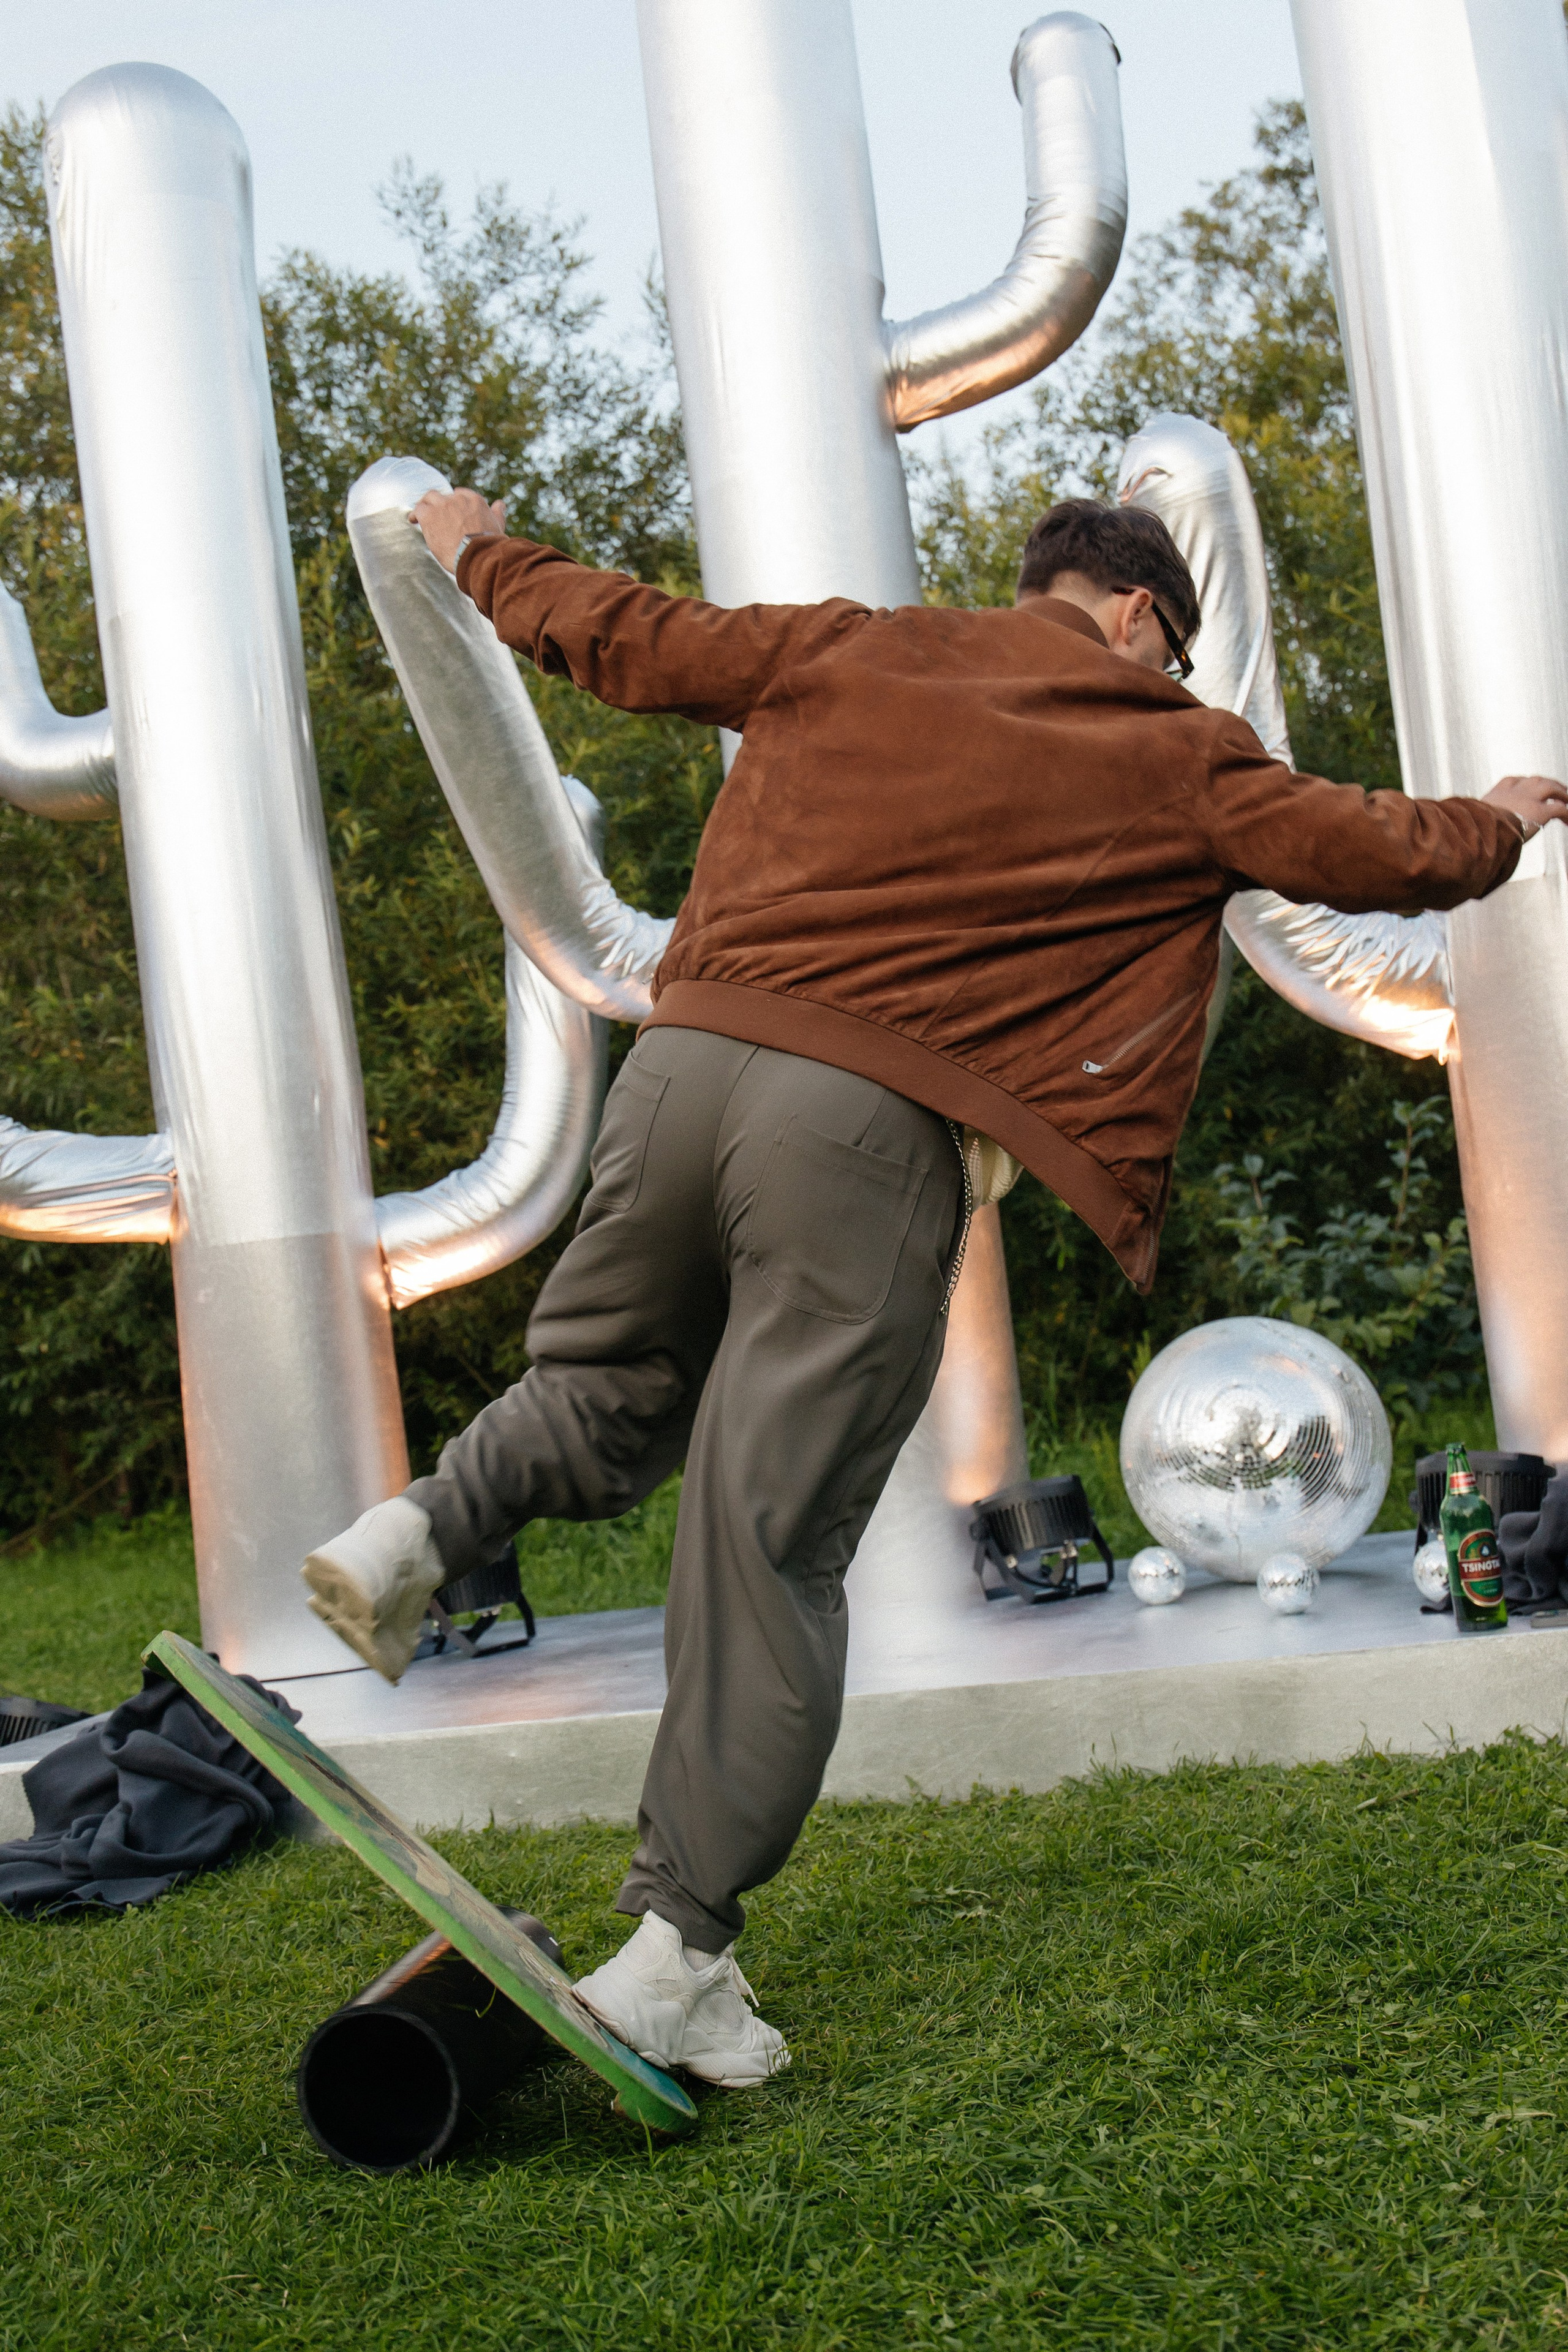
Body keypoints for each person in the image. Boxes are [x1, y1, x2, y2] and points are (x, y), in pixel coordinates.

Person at [303, 491, 1567, 2088]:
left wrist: (483, 549)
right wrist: (1510, 814)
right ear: (1129, 615)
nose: (1175, 671)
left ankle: (413, 1537)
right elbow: (1379, 852)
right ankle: (677, 1953)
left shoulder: (855, 648)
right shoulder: (1172, 739)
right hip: (863, 1134)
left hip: (680, 1076)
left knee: (597, 1397)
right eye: (1172, 646)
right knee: (767, 1537)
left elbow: (624, 637)